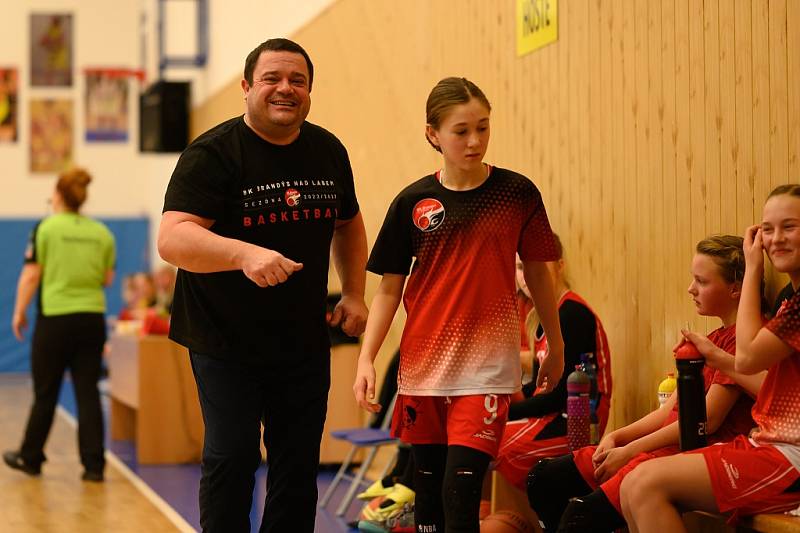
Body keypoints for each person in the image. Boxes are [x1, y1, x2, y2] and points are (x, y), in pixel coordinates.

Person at [157, 38, 368, 533]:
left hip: (302, 340)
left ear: (310, 92)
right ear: (247, 86)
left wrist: (355, 292)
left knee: (297, 466)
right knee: (232, 457)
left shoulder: (327, 150)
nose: (285, 89)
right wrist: (243, 253)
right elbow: (173, 238)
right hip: (224, 340)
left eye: (297, 80)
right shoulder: (213, 154)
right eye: (272, 78)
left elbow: (350, 224)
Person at [353, 77, 565, 533]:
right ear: (433, 134)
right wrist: (367, 357)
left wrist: (556, 343)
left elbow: (540, 273)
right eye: (461, 130)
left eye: (483, 128)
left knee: (460, 495)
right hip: (423, 368)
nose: (475, 141)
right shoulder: (411, 202)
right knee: (426, 497)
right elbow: (390, 288)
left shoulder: (516, 193)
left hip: (486, 370)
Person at [527, 235, 761, 532]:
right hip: (666, 445)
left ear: (735, 289)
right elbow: (671, 410)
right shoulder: (715, 337)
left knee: (580, 517)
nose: (691, 288)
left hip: (694, 452)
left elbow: (705, 421)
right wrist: (619, 438)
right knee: (544, 478)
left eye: (701, 281)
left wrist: (631, 450)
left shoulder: (741, 342)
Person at [620, 188, 800, 532]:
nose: (776, 239)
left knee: (644, 486)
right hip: (769, 442)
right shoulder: (789, 300)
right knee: (635, 483)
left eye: (788, 227)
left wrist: (751, 269)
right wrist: (714, 355)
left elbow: (746, 358)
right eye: (768, 229)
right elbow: (751, 366)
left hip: (792, 456)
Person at [3, 167, 115, 482]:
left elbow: (31, 274)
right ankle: (94, 467)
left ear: (58, 195)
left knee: (46, 392)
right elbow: (107, 278)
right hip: (92, 319)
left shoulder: (46, 229)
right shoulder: (102, 233)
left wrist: (19, 312)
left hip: (55, 320)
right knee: (88, 392)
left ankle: (31, 457)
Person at [493, 238, 612, 492]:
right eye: (520, 267)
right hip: (554, 413)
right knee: (477, 437)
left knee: (500, 449)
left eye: (536, 266)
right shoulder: (541, 317)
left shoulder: (572, 314)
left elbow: (558, 397)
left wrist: (504, 414)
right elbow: (540, 389)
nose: (527, 275)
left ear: (560, 266)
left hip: (579, 422)